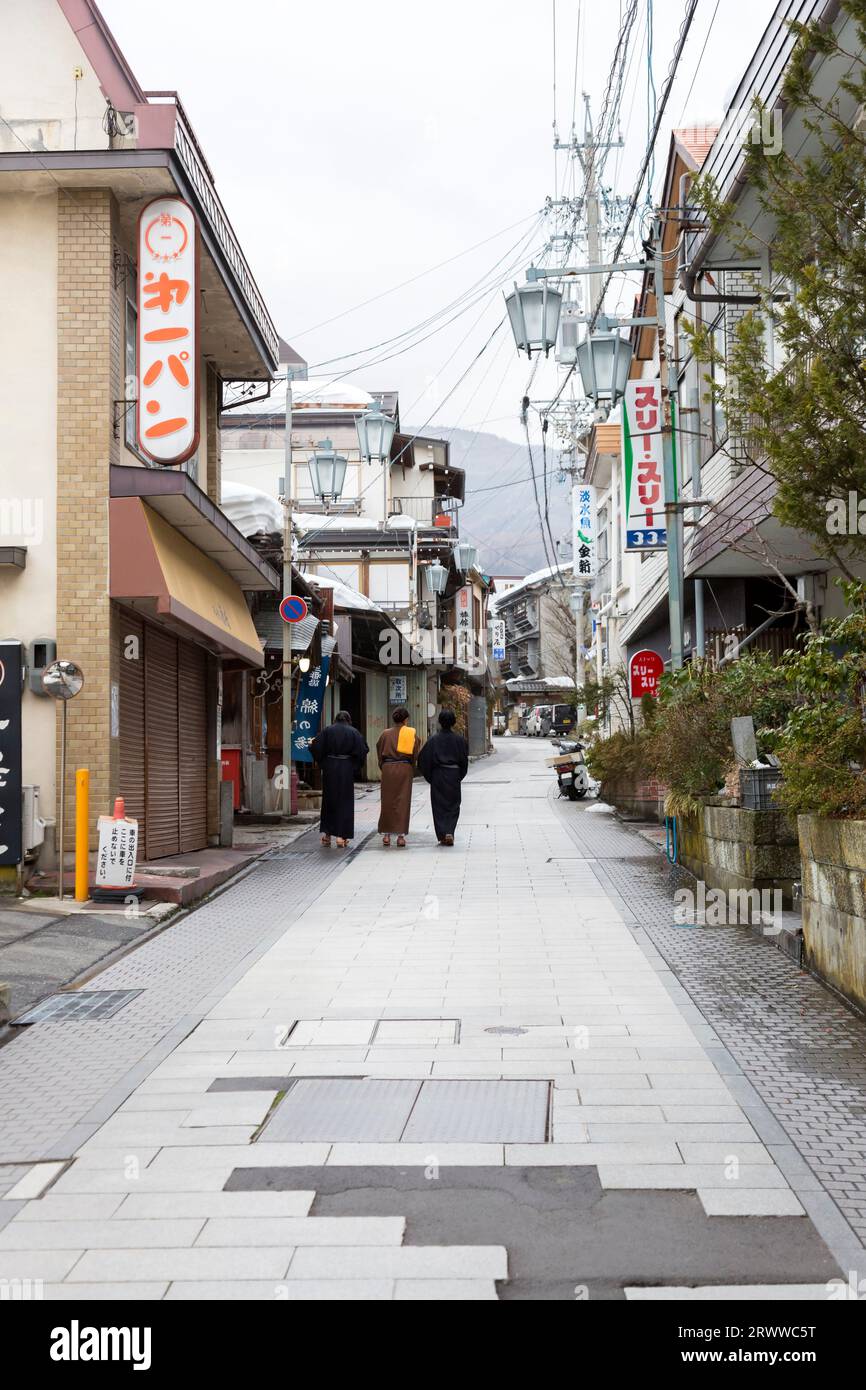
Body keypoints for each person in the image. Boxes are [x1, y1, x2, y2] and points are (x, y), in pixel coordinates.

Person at [311, 711, 369, 848]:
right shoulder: (353, 732)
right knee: (345, 802)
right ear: (348, 720)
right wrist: (354, 766)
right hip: (346, 769)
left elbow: (315, 747)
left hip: (330, 769)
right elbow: (363, 750)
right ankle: (341, 837)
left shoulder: (327, 730)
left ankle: (327, 835)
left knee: (329, 801)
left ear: (335, 719)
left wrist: (324, 762)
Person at [418, 709, 469, 845]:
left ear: (440, 722)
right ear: (453, 722)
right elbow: (464, 761)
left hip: (438, 775)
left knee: (438, 805)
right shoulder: (460, 740)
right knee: (453, 805)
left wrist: (431, 777)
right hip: (453, 775)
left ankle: (442, 834)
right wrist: (458, 776)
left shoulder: (433, 740)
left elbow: (422, 760)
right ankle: (449, 832)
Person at [376, 706, 420, 847]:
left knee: (387, 801)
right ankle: (401, 836)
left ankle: (386, 835)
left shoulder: (385, 734)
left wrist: (383, 766)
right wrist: (411, 767)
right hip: (404, 768)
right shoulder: (410, 733)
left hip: (388, 769)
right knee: (403, 801)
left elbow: (379, 750)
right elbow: (415, 753)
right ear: (406, 719)